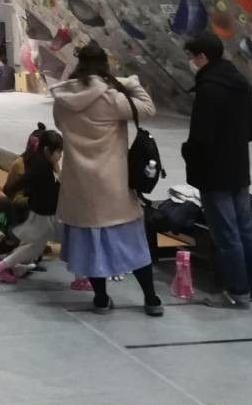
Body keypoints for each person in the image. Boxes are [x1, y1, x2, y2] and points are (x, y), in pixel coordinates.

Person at [53, 42, 163, 316]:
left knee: (91, 249)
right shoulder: (111, 99)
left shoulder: (63, 98)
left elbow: (59, 126)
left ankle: (101, 299)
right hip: (112, 186)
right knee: (133, 245)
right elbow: (147, 108)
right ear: (105, 65)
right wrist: (131, 82)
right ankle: (151, 299)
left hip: (79, 185)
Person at [181, 35, 252, 308]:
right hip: (239, 168)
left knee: (226, 233)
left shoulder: (209, 89)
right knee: (246, 228)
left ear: (203, 57)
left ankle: (236, 291)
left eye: (192, 56)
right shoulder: (241, 83)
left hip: (213, 171)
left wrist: (188, 152)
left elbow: (200, 137)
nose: (191, 62)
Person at [0, 129, 63, 284]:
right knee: (71, 240)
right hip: (45, 216)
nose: (60, 156)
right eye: (57, 152)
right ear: (46, 150)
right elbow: (23, 183)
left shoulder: (46, 165)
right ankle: (82, 279)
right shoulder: (41, 167)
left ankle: (1, 266)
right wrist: (6, 193)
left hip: (46, 214)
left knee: (36, 247)